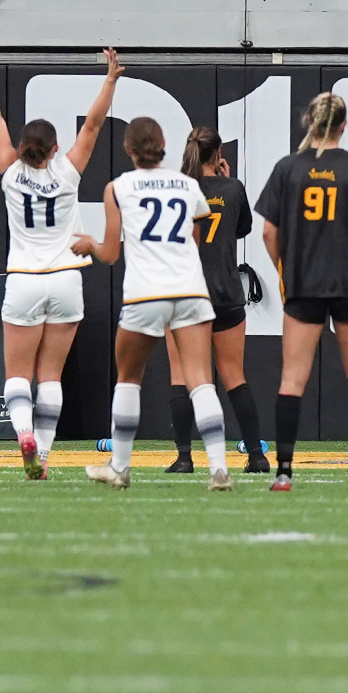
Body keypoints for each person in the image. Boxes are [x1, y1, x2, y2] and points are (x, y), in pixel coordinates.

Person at [0, 39, 121, 481]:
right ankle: (45, 458)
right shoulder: (67, 173)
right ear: (54, 150)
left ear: (22, 147)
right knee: (51, 376)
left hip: (25, 278)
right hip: (67, 278)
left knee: (18, 375)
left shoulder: (10, 173)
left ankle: (24, 435)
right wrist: (110, 79)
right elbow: (93, 125)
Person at [73, 118, 230, 491]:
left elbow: (111, 254)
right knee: (200, 380)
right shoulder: (189, 186)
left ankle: (119, 467)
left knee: (128, 378)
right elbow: (193, 240)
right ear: (163, 145)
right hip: (190, 289)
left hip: (146, 292)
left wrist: (89, 244)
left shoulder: (118, 188)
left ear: (128, 149)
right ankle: (219, 470)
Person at [254, 92, 348, 491]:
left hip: (303, 284)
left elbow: (268, 232)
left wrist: (284, 270)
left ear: (309, 122)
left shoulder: (288, 168)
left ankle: (284, 471)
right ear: (344, 126)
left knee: (292, 378)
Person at [166, 127, 268, 474]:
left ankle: (184, 457)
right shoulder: (232, 188)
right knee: (234, 376)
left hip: (187, 292)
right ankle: (256, 455)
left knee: (181, 376)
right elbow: (241, 229)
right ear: (218, 154)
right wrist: (226, 182)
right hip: (225, 292)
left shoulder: (180, 189)